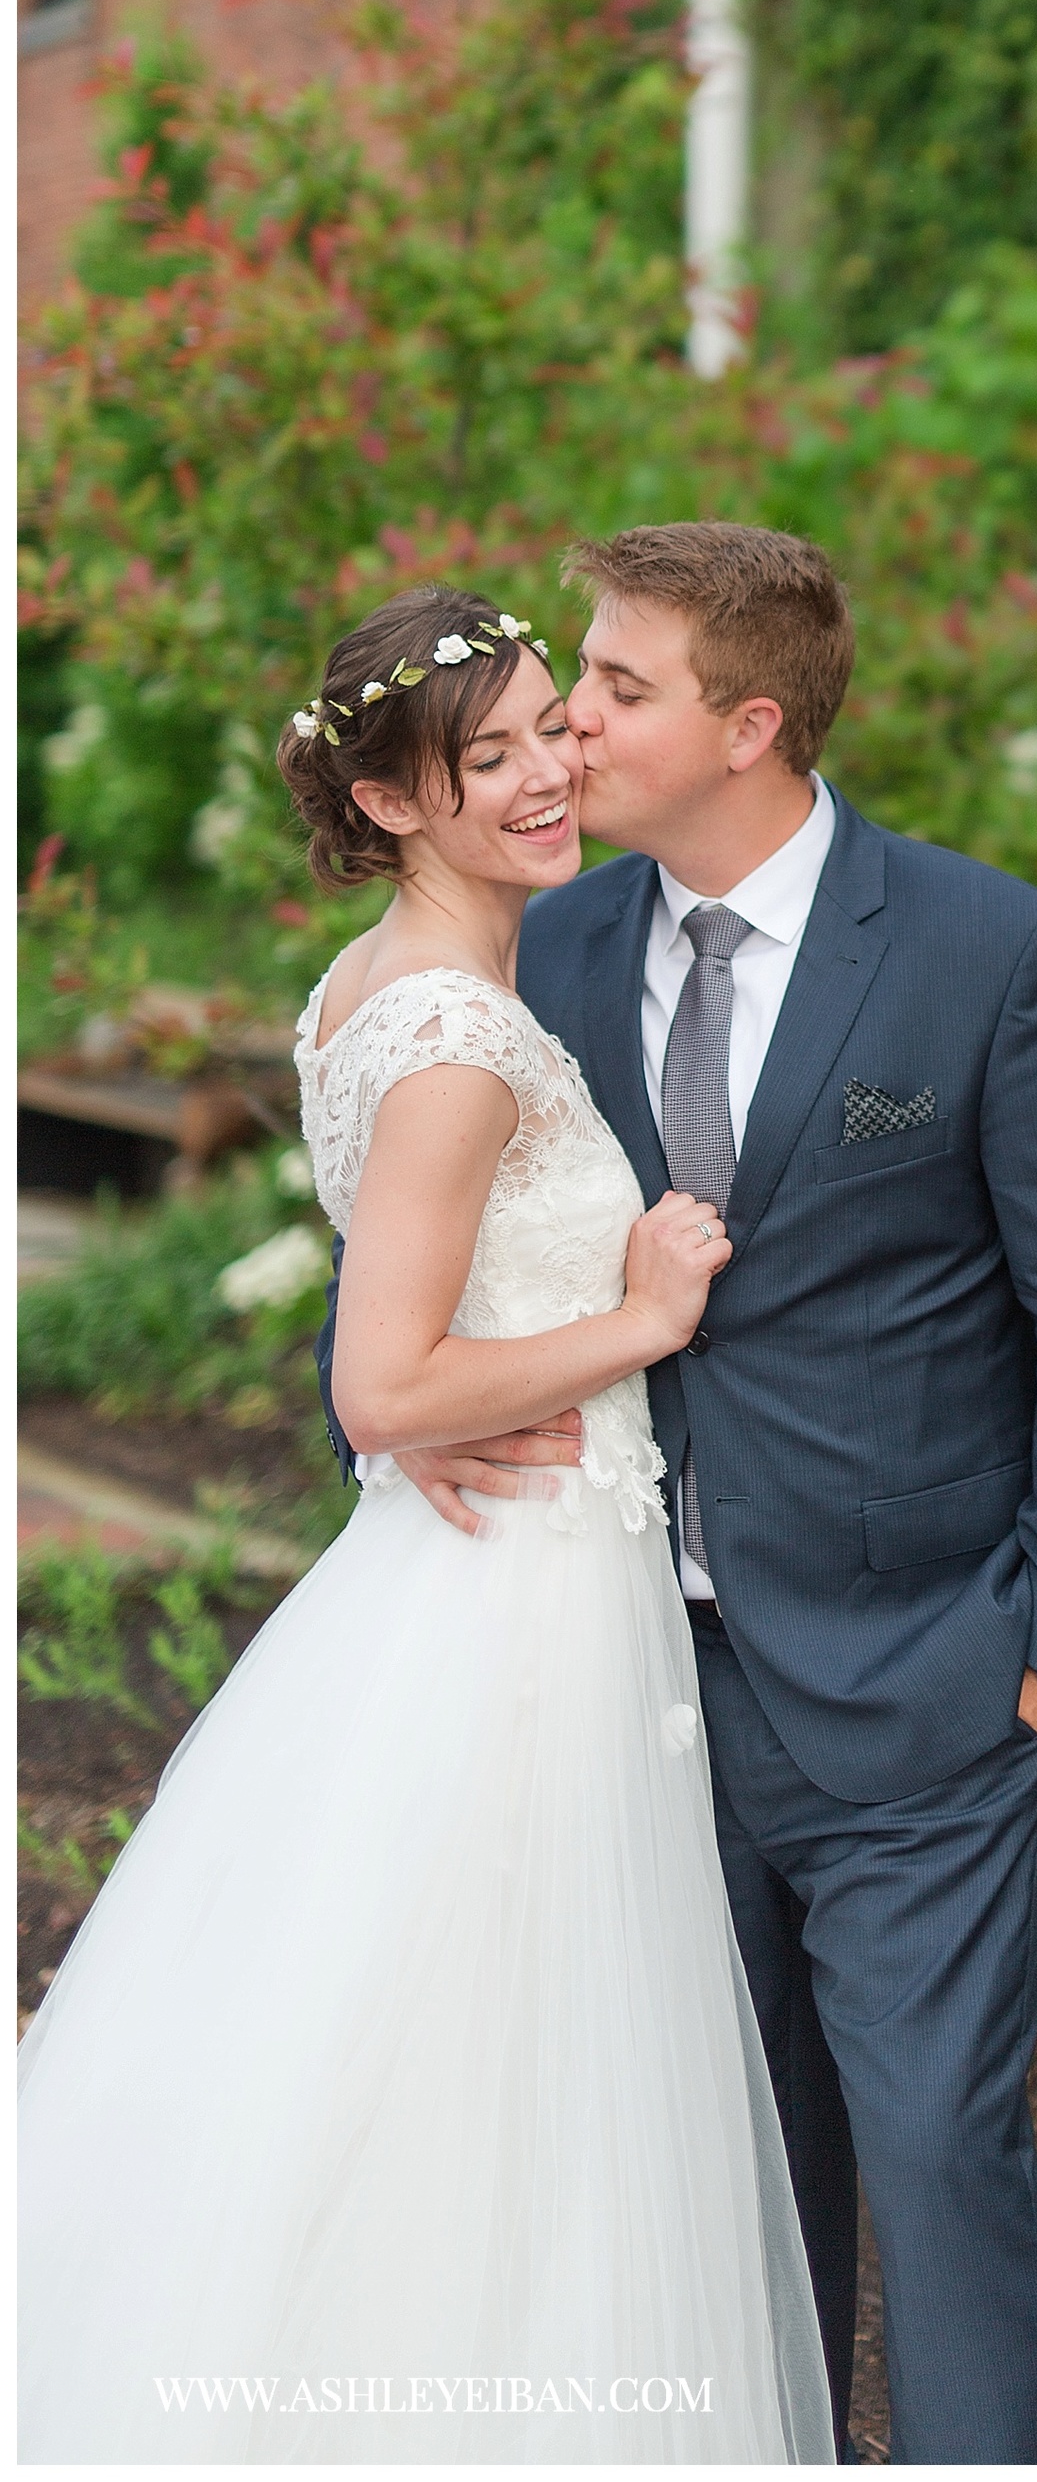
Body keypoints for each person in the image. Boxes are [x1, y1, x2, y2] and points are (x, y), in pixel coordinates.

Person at [316, 522, 1037, 2464]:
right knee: (706, 2180)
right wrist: (392, 1424)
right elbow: (413, 1245)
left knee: (940, 2158)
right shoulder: (537, 942)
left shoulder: (988, 954)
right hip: (622, 1679)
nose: (570, 726)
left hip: (931, 1693)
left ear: (750, 723)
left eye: (614, 690)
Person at [19, 587, 837, 2466]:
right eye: (495, 755)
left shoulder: (372, 984)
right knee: (507, 2062)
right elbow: (387, 1382)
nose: (553, 769)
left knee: (429, 2050)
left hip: (484, 1563)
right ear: (394, 798)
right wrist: (640, 1315)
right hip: (522, 1599)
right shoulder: (461, 1035)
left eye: (558, 723)